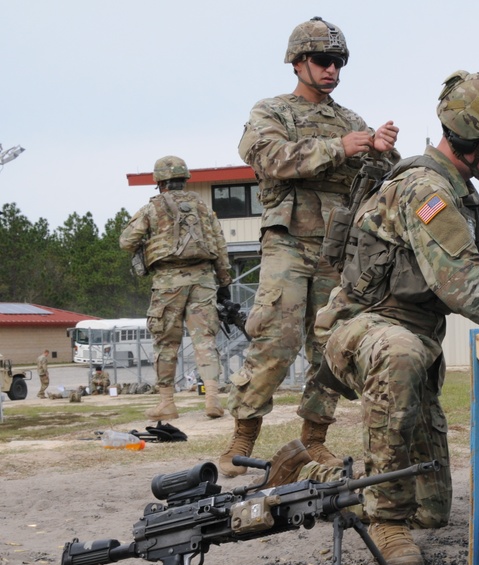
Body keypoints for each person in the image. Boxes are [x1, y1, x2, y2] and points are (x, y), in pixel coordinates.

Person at [264, 70, 479, 565]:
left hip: (412, 340)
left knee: (431, 513)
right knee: (401, 352)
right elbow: (470, 290)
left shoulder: (463, 198)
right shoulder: (424, 192)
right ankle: (384, 520)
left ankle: (306, 475)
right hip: (364, 331)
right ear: (471, 137)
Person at [219, 16, 400, 477]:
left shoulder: (351, 120)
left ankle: (313, 439)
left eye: (338, 62)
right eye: (323, 61)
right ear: (298, 62)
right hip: (288, 243)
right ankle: (242, 437)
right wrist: (339, 146)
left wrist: (380, 151)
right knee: (275, 340)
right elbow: (269, 157)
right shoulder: (272, 112)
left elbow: (380, 182)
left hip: (337, 250)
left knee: (332, 347)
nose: (332, 70)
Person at [120, 155, 233, 420]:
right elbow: (220, 244)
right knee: (204, 340)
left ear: (159, 182)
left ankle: (167, 404)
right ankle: (213, 399)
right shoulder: (203, 207)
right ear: (184, 179)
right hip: (204, 280)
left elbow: (127, 241)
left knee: (166, 343)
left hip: (168, 282)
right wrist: (224, 282)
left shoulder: (153, 208)